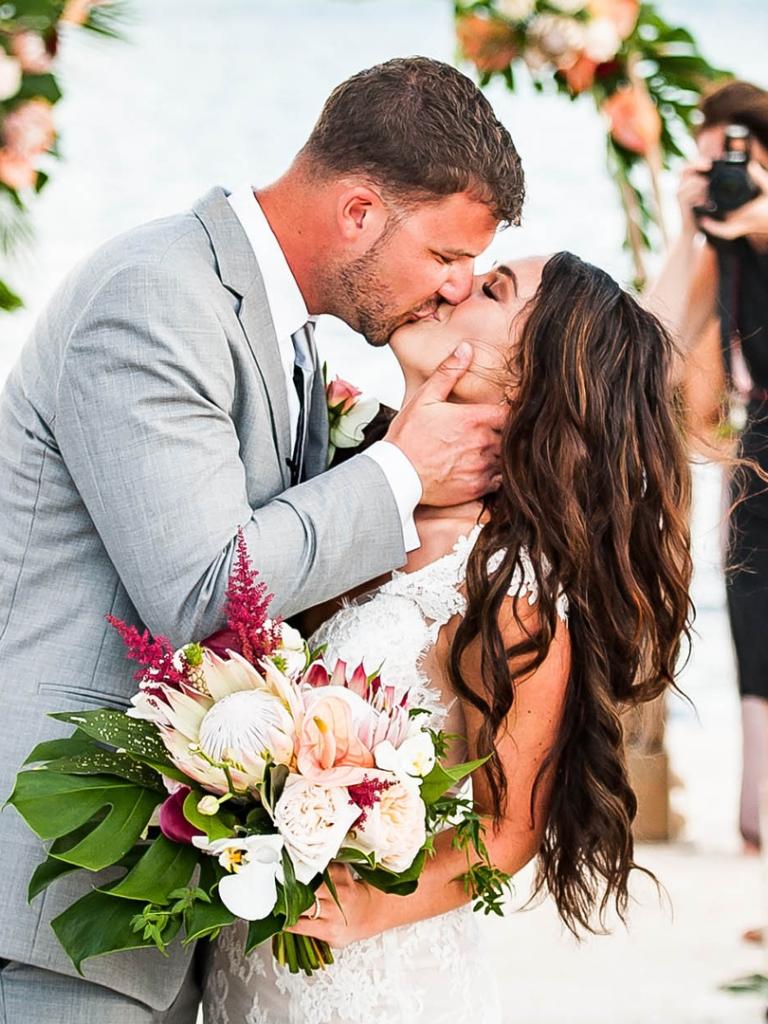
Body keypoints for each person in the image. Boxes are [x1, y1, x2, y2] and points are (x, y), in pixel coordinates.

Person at [0, 57, 524, 1023]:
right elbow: (208, 594)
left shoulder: (285, 338)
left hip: (176, 914)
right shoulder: (157, 297)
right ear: (360, 212)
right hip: (67, 889)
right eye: (447, 257)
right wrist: (400, 473)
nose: (453, 290)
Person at [204, 252, 693, 1024]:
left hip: (376, 982)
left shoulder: (506, 584)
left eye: (494, 289)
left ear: (533, 381)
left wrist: (365, 911)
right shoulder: (350, 492)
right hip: (243, 966)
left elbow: (509, 826)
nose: (456, 284)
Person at [647, 80, 768, 853]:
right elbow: (653, 340)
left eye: (741, 158)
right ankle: (760, 839)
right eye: (712, 161)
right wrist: (689, 230)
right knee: (756, 646)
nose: (729, 176)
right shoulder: (719, 249)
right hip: (759, 456)